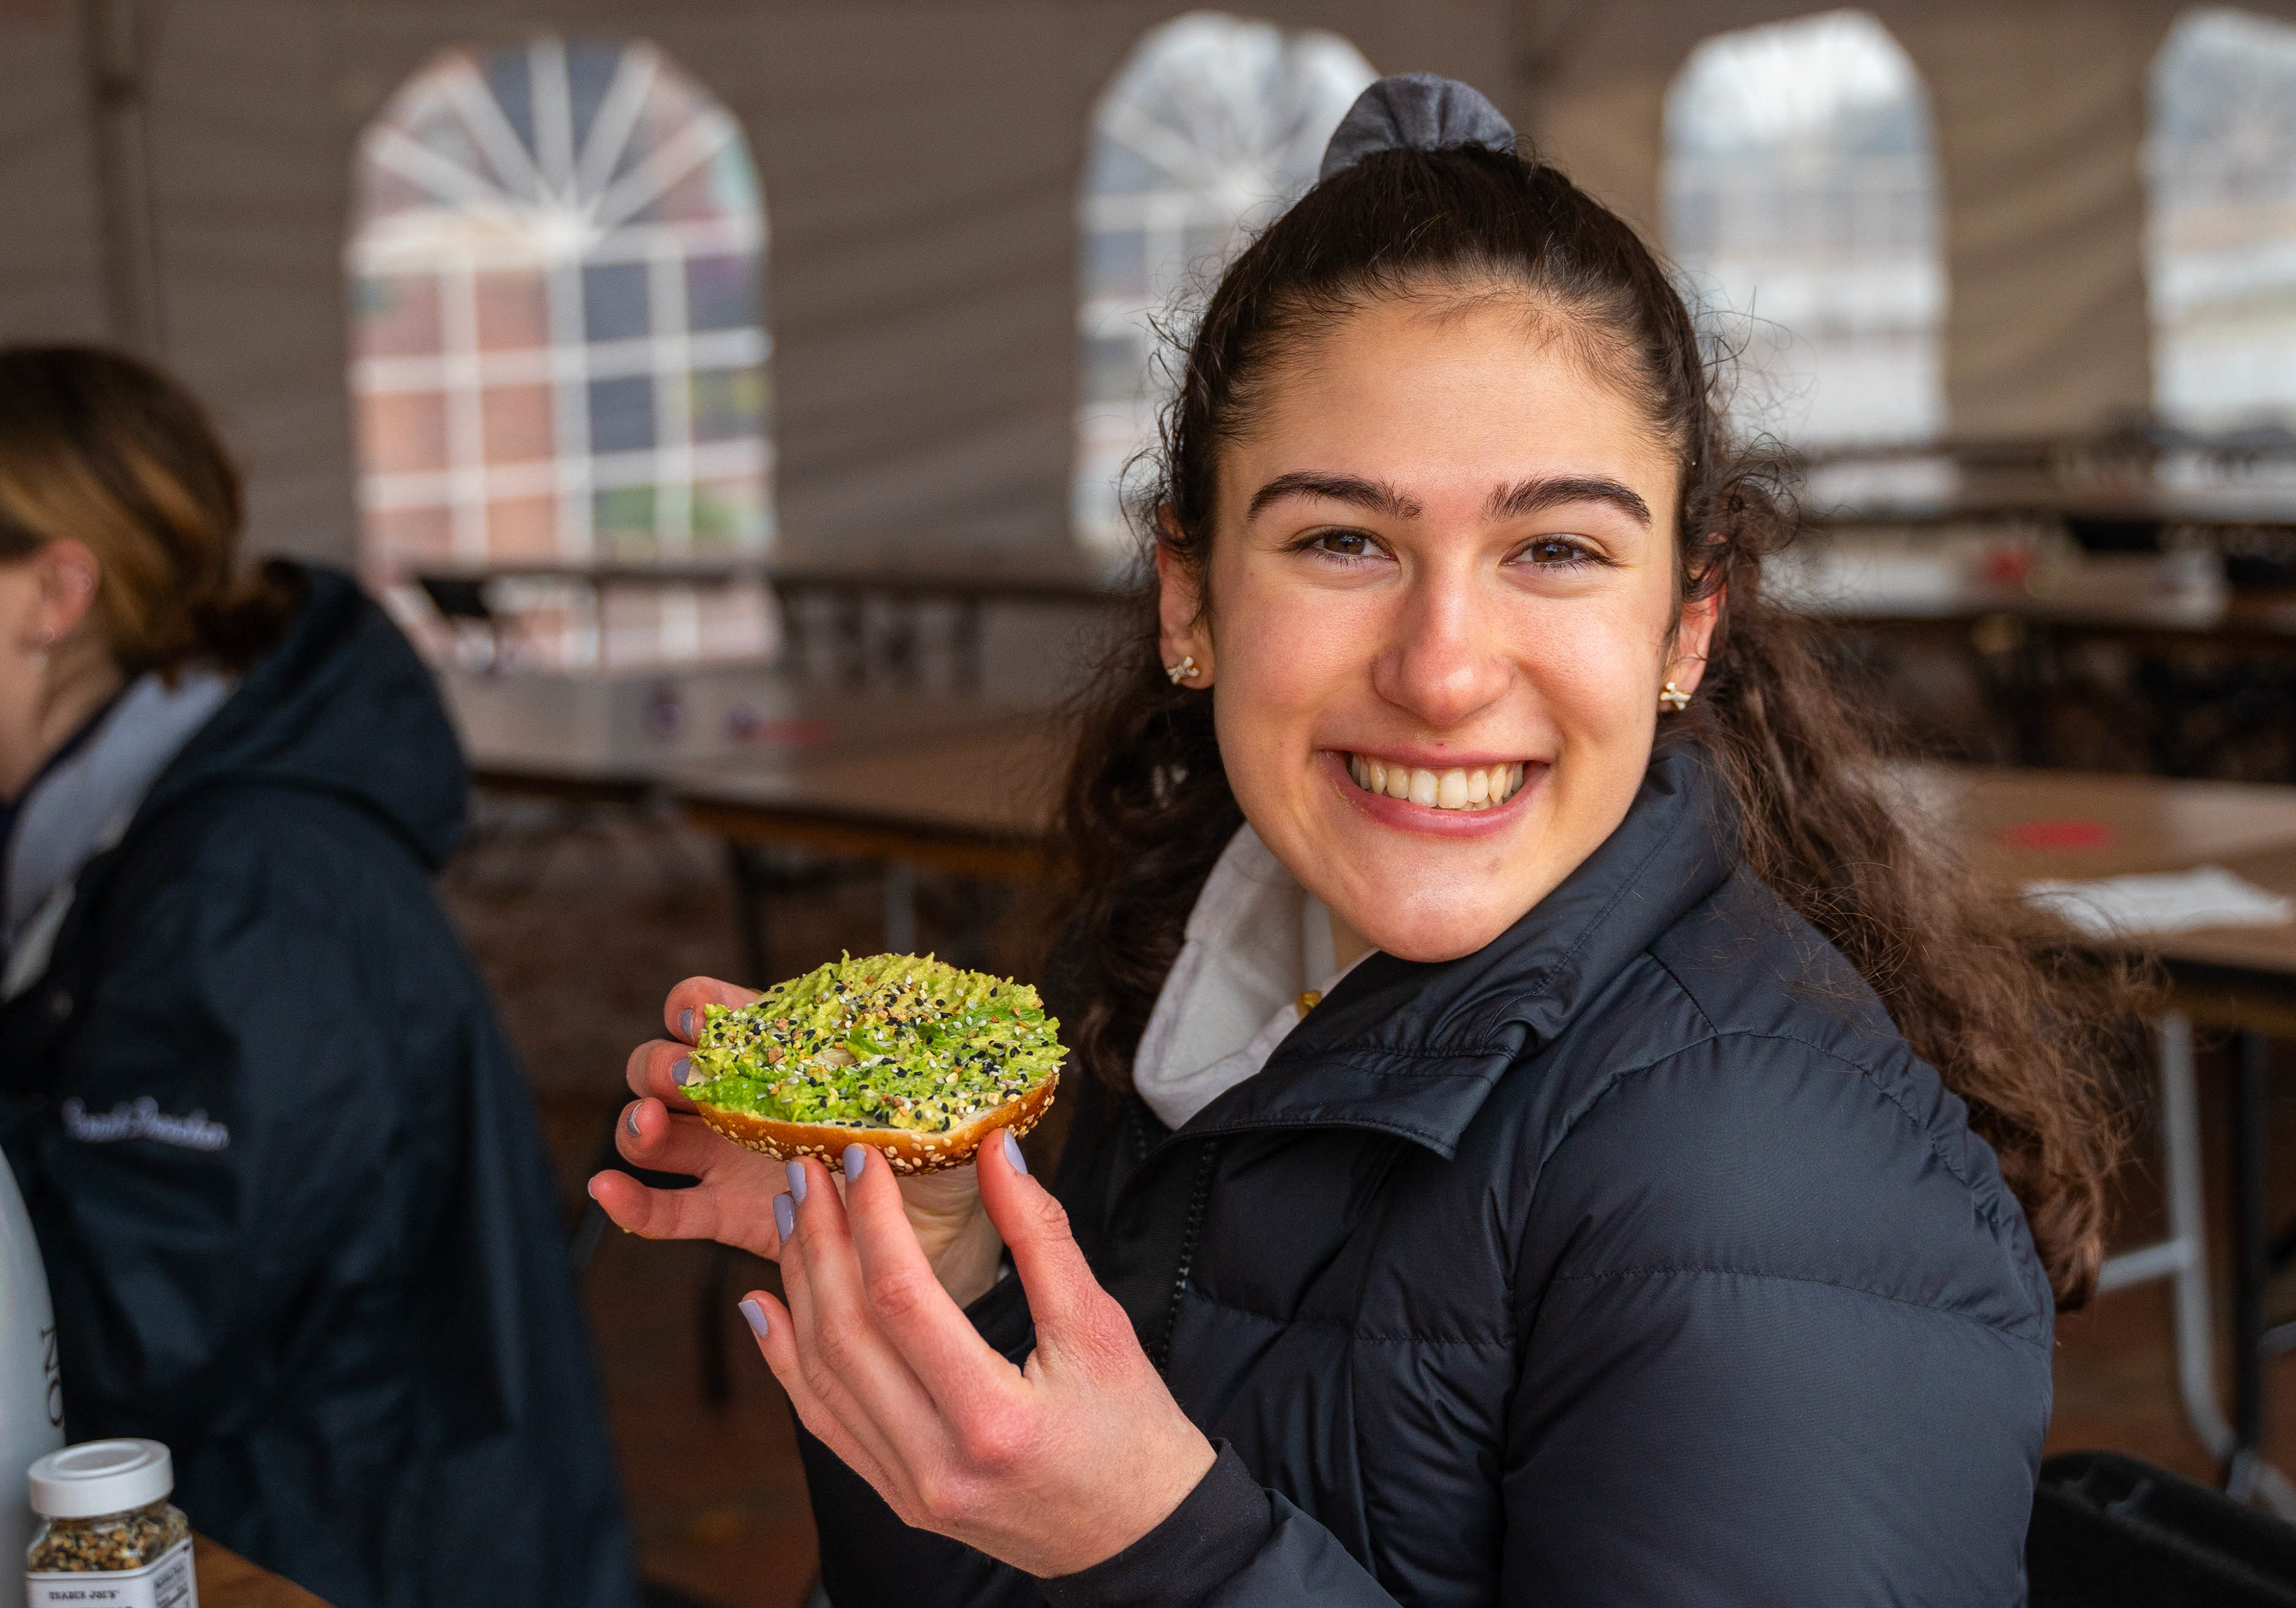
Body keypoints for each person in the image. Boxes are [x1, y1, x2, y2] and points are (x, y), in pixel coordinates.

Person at [597, 77, 2133, 1604]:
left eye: (1556, 549)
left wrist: (1161, 1544)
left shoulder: (1769, 1182)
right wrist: (946, 1292)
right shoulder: (1161, 971)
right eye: (1343, 540)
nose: (1444, 667)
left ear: (1688, 621)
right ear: (1191, 597)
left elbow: (1134, 1551)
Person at [0, 346, 638, 1608]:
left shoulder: (248, 880)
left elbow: (138, 1328)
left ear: (54, 590)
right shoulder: (135, 833)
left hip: (359, 1551)